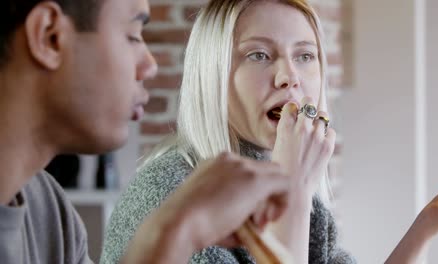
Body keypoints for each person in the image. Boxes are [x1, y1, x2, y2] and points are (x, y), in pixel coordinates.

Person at [101, 1, 438, 264]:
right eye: (258, 55)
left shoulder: (298, 193)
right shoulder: (171, 195)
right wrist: (293, 188)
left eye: (305, 56)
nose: (289, 76)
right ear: (211, 76)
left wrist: (429, 222)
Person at [0, 0, 294, 263]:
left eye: (306, 56)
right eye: (132, 36)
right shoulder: (164, 189)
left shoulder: (49, 210)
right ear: (50, 37)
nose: (150, 66)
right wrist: (172, 233)